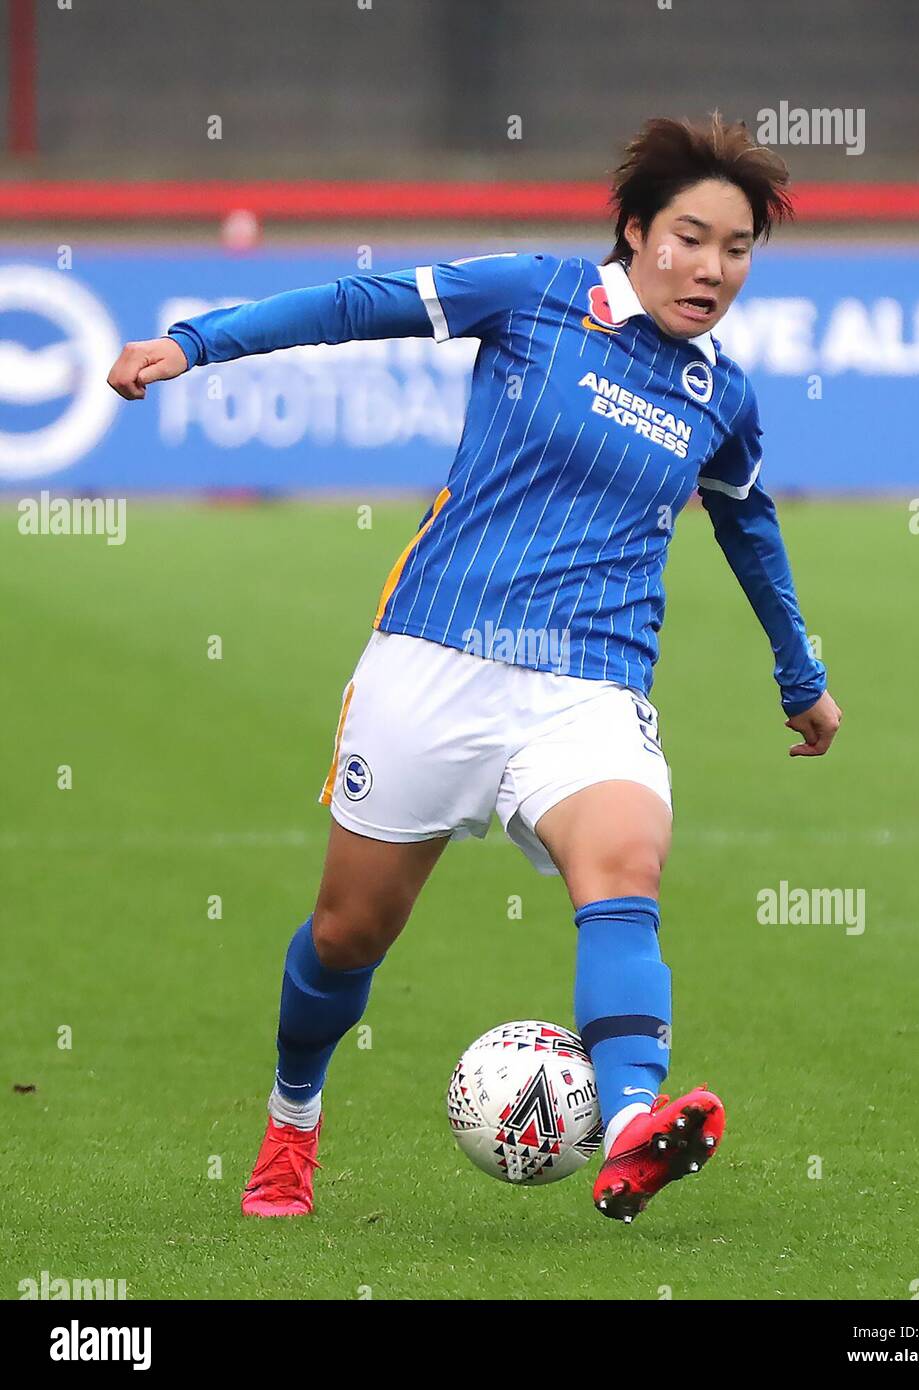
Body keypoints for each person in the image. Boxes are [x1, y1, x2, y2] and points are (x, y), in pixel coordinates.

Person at [107, 113, 842, 1225]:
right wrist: (197, 341)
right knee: (349, 935)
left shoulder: (721, 397)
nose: (713, 268)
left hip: (592, 681)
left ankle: (638, 1117)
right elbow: (359, 306)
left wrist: (801, 674)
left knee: (626, 867)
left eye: (738, 249)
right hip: (435, 662)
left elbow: (752, 528)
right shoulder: (534, 293)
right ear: (637, 232)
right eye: (692, 237)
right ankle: (293, 1118)